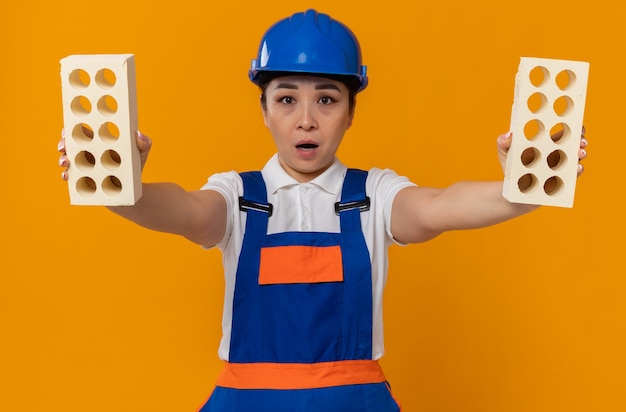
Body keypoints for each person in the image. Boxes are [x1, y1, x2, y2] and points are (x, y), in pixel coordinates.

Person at [57, 9, 588, 412]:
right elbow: (185, 210)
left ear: (351, 112)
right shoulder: (236, 197)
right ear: (263, 111)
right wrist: (119, 184)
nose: (306, 120)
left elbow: (440, 206)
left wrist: (523, 185)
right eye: (286, 99)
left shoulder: (375, 195)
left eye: (327, 99)